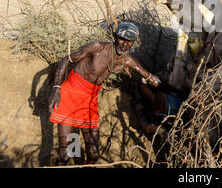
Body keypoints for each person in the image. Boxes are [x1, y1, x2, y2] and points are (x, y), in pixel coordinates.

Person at [48, 22, 161, 165]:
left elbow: (150, 77)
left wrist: (161, 84)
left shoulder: (127, 60)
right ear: (115, 37)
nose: (124, 44)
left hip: (89, 100)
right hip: (71, 93)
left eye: (129, 42)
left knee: (93, 153)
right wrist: (56, 88)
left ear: (134, 42)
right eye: (121, 39)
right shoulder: (97, 47)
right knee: (65, 153)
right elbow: (66, 59)